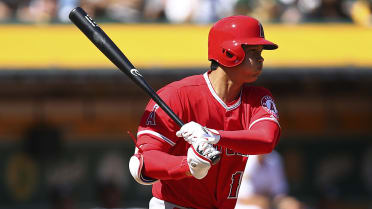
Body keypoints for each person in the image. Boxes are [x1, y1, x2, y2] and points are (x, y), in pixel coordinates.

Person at [129, 15, 281, 209]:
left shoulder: (258, 99)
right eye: (254, 51)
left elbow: (266, 139)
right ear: (229, 51)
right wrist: (188, 165)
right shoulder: (177, 95)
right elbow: (143, 163)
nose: (261, 59)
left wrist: (212, 135)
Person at [235, 151, 304, 209]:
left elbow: (279, 193)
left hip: (269, 202)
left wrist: (287, 203)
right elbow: (243, 198)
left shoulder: (274, 159)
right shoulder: (244, 158)